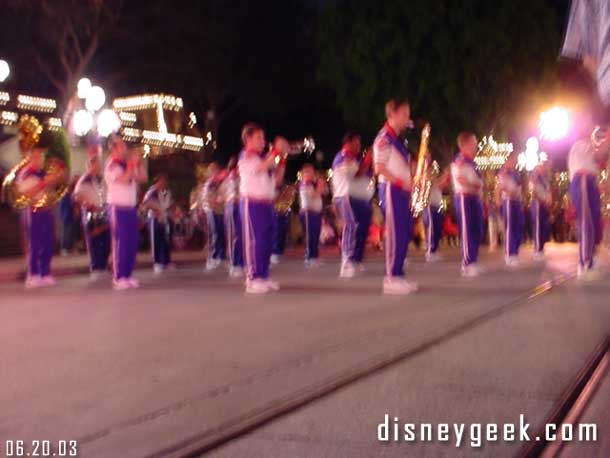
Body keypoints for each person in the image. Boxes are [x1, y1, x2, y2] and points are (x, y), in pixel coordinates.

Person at [373, 99, 418, 294]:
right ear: (392, 114)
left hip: (402, 191)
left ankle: (398, 274)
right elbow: (379, 168)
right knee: (394, 233)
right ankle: (391, 278)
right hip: (392, 190)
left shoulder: (398, 140)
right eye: (404, 114)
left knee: (403, 232)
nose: (408, 118)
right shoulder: (384, 138)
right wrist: (401, 182)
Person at [239, 123, 283, 294]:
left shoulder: (262, 158)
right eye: (259, 138)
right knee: (255, 242)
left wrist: (282, 158)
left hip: (267, 204)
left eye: (263, 138)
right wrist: (276, 152)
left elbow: (277, 180)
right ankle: (253, 278)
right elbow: (261, 168)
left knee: (266, 241)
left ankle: (264, 275)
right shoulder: (246, 156)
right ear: (248, 139)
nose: (263, 141)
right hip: (252, 203)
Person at [104, 135, 148, 290]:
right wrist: (131, 164)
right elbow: (123, 179)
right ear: (114, 148)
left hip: (130, 208)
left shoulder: (126, 163)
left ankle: (128, 275)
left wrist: (139, 164)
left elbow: (142, 178)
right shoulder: (112, 165)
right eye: (122, 146)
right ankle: (119, 277)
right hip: (117, 208)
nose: (125, 149)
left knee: (132, 242)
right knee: (120, 243)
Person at [16, 140, 59, 288]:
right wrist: (43, 183)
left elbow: (51, 193)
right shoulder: (25, 174)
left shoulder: (43, 173)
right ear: (30, 157)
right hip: (33, 211)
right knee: (34, 244)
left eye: (41, 156)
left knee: (48, 242)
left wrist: (52, 182)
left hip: (46, 210)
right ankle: (32, 274)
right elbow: (26, 194)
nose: (39, 159)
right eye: (36, 156)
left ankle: (45, 273)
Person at [567, 123, 607, 279]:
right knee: (587, 223)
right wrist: (607, 139)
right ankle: (584, 266)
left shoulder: (585, 145)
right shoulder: (580, 145)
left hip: (589, 182)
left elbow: (598, 161)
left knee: (595, 222)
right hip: (583, 181)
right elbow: (598, 156)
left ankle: (591, 259)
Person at [451, 132, 484, 277]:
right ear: (466, 144)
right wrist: (476, 185)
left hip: (474, 197)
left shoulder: (472, 162)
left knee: (477, 229)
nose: (476, 145)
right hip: (465, 197)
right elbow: (460, 179)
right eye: (474, 142)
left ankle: (473, 261)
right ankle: (467, 263)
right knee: (468, 230)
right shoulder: (460, 160)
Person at [331, 131, 363, 278]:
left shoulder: (351, 158)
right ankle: (346, 261)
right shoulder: (342, 156)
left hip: (348, 197)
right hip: (342, 197)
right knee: (349, 226)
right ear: (348, 142)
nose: (359, 146)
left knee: (353, 226)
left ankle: (350, 258)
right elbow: (347, 171)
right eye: (356, 143)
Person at [74, 155, 110, 280]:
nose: (98, 167)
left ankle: (103, 266)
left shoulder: (101, 179)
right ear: (89, 166)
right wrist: (88, 204)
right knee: (94, 241)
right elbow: (77, 196)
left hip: (104, 212)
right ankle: (95, 267)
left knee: (105, 240)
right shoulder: (84, 180)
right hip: (91, 213)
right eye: (95, 165)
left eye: (99, 165)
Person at [142, 173, 174, 274]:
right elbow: (146, 203)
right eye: (162, 181)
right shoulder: (152, 191)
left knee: (165, 240)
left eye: (165, 181)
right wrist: (156, 210)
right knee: (156, 240)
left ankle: (166, 261)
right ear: (157, 181)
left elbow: (170, 204)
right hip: (154, 218)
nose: (164, 183)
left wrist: (170, 212)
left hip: (164, 218)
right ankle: (157, 263)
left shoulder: (166, 192)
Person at [497, 153, 524, 268]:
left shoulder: (516, 174)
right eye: (512, 160)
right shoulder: (503, 173)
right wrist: (499, 199)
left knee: (518, 227)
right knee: (510, 228)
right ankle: (509, 254)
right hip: (508, 200)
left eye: (515, 160)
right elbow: (500, 187)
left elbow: (520, 188)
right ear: (507, 161)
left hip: (517, 201)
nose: (514, 162)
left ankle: (515, 252)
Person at [350, 147, 375, 270]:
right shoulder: (359, 162)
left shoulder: (370, 168)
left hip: (367, 201)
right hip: (356, 200)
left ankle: (358, 258)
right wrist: (367, 161)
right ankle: (352, 258)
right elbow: (356, 175)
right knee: (357, 230)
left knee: (364, 231)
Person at [201, 163, 227, 271]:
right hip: (212, 211)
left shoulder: (219, 183)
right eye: (213, 171)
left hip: (221, 211)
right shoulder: (209, 184)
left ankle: (220, 257)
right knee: (215, 233)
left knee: (221, 233)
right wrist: (217, 199)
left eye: (217, 170)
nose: (216, 173)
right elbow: (209, 199)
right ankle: (213, 258)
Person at [299, 163, 325, 267]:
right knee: (310, 236)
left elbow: (323, 193)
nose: (312, 173)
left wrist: (321, 185)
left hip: (316, 213)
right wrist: (320, 186)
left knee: (316, 236)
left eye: (312, 171)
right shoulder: (305, 184)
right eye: (309, 171)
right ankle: (309, 258)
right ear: (304, 173)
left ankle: (315, 257)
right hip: (307, 213)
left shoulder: (312, 184)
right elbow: (314, 195)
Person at [222, 157, 244, 278]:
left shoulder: (240, 178)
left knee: (241, 236)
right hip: (232, 206)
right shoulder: (230, 179)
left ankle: (240, 262)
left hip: (240, 206)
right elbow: (226, 195)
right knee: (235, 235)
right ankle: (234, 264)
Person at [271, 136, 291, 265]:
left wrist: (283, 159)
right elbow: (274, 179)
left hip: (274, 193)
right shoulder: (272, 156)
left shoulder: (280, 158)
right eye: (283, 145)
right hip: (266, 195)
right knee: (274, 224)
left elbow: (279, 179)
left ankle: (277, 251)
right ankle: (273, 252)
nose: (286, 147)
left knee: (281, 223)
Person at [423, 167, 449, 262]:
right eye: (431, 172)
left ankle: (434, 250)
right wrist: (444, 176)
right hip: (430, 206)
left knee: (437, 229)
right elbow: (438, 184)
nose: (432, 174)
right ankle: (430, 252)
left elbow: (442, 186)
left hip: (437, 206)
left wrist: (445, 178)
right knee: (431, 229)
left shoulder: (435, 181)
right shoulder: (426, 181)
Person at [529, 162, 552, 261]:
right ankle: (537, 250)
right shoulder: (534, 179)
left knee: (544, 227)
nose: (542, 169)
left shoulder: (545, 180)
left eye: (542, 168)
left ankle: (541, 249)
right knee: (538, 227)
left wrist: (549, 200)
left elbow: (549, 191)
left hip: (544, 205)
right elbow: (532, 191)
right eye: (539, 168)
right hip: (537, 204)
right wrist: (541, 199)